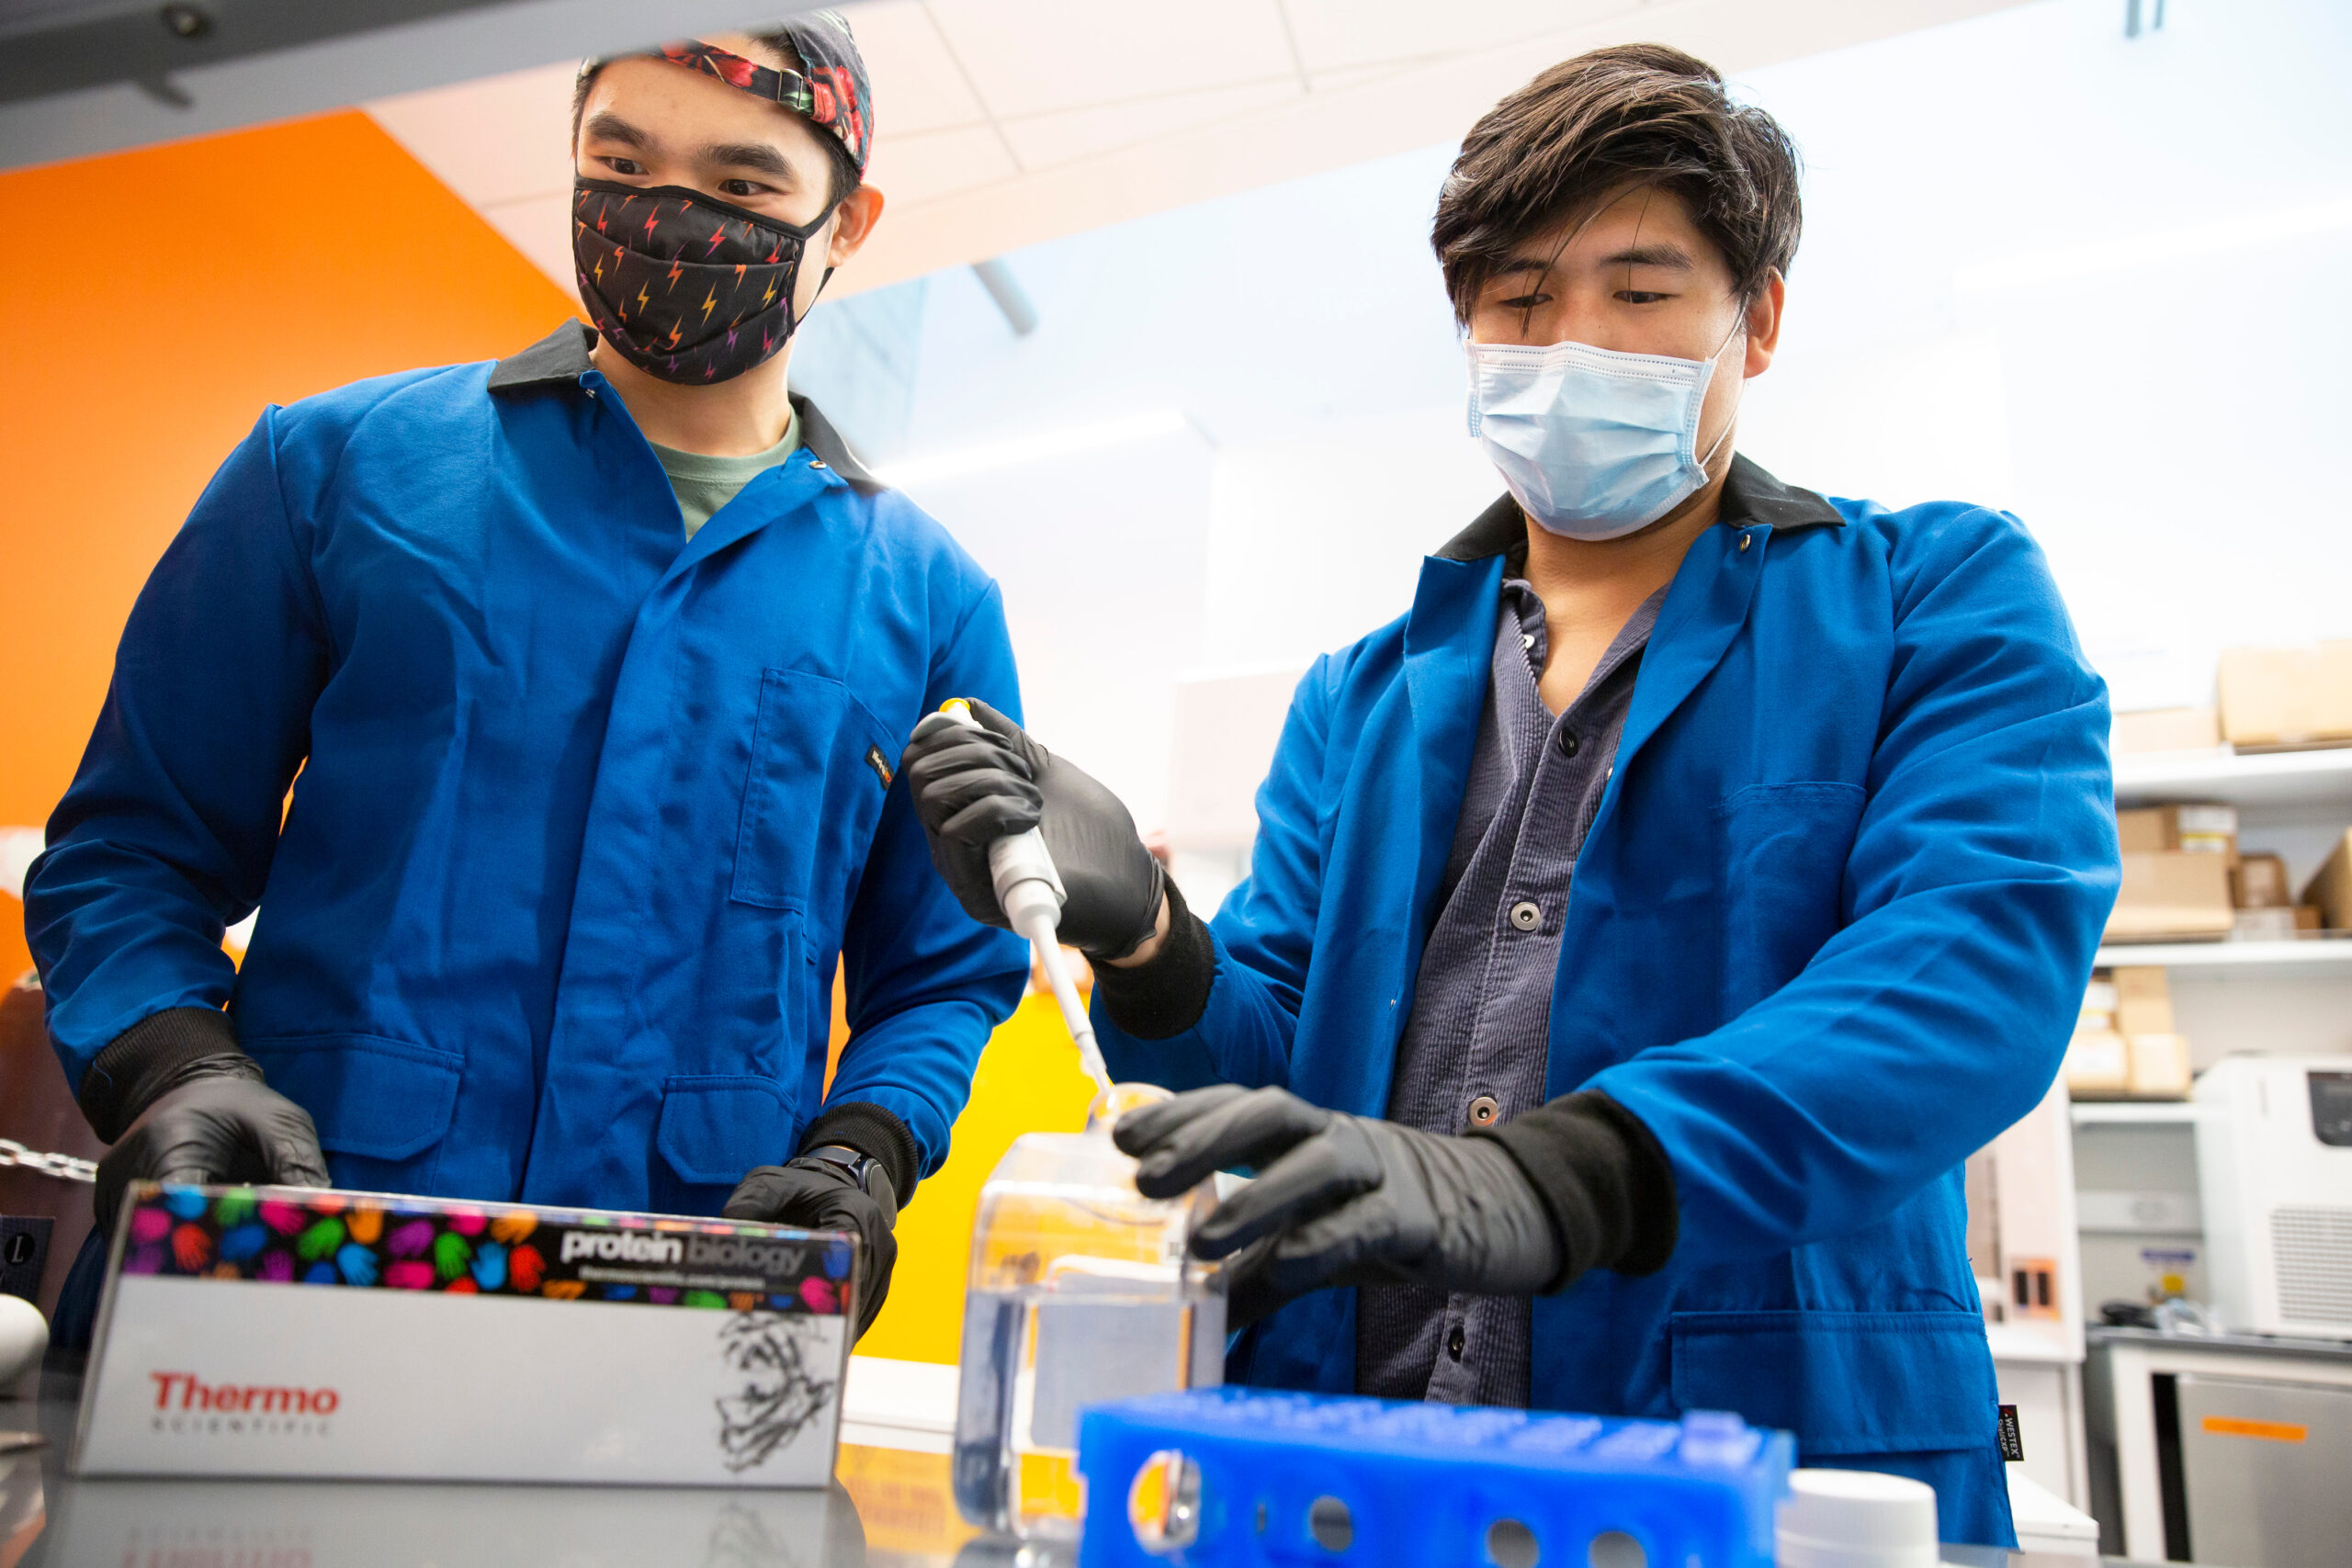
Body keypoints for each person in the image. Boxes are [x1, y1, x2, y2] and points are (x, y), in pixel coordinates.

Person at [901, 44, 2117, 1544]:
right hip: (1349, 1473)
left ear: (1761, 320)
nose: (1575, 340)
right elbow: (1282, 1053)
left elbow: (1969, 974)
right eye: (1524, 299)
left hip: (1752, 1458)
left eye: (1642, 290)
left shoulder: (1934, 598)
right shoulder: (1357, 698)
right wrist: (1152, 938)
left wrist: (1569, 1180)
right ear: (1469, 330)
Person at [28, 13, 1027, 1341]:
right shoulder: (336, 470)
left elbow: (946, 973)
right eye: (622, 167)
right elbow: (131, 850)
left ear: (846, 222)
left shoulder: (928, 600)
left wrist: (864, 1151)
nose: (670, 218)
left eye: (742, 187)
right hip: (289, 1270)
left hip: (681, 1304)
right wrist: (171, 1067)